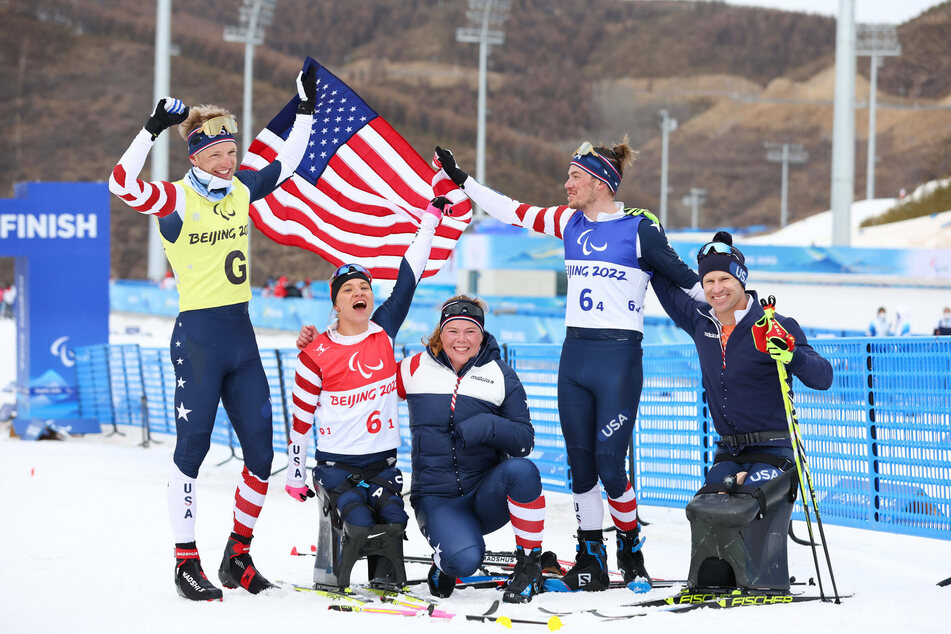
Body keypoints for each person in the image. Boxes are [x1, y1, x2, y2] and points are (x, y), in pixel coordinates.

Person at [433, 142, 704, 591]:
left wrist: (745, 306)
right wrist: (464, 180)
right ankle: (590, 553)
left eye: (574, 177)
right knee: (580, 466)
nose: (566, 185)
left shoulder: (640, 228)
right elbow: (511, 211)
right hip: (574, 355)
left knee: (610, 466)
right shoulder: (568, 221)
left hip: (618, 357)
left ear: (600, 182)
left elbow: (689, 282)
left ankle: (631, 548)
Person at [108, 67, 319, 601]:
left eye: (233, 152)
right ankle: (185, 562)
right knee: (192, 449)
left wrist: (303, 107)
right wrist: (151, 128)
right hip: (199, 338)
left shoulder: (242, 189)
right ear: (196, 157)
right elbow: (120, 185)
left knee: (259, 454)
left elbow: (290, 163)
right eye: (219, 153)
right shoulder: (177, 198)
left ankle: (237, 556)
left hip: (241, 339)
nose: (229, 161)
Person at [287, 197, 452, 586]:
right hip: (336, 467)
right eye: (349, 290)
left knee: (394, 521)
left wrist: (429, 220)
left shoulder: (382, 331)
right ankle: (336, 577)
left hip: (382, 464)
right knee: (359, 525)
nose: (360, 292)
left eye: (365, 287)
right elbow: (300, 419)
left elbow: (408, 278)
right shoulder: (315, 353)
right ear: (336, 303)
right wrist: (296, 474)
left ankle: (386, 578)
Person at [649, 231, 833, 488]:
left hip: (774, 447)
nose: (716, 288)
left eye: (725, 278)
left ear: (741, 280)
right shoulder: (699, 320)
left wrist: (793, 356)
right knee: (706, 512)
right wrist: (641, 235)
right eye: (709, 281)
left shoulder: (775, 324)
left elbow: (824, 377)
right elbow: (661, 280)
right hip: (729, 452)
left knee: (748, 508)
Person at [397, 296, 547, 603]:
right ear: (440, 332)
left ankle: (529, 566)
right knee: (464, 560)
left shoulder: (500, 374)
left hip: (485, 494)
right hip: (437, 499)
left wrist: (488, 426)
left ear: (482, 335)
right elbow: (361, 381)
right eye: (453, 331)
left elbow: (524, 441)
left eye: (470, 331)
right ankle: (446, 560)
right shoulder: (412, 367)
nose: (461, 339)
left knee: (523, 471)